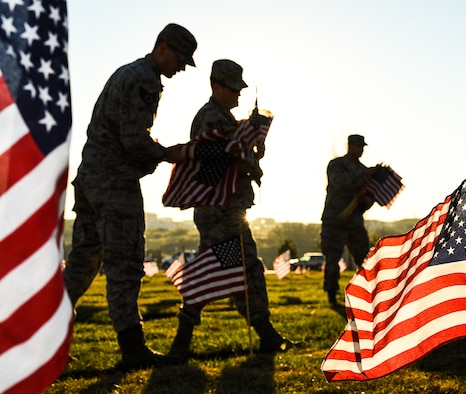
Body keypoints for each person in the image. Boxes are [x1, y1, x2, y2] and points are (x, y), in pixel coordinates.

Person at [63, 23, 198, 369]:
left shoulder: (128, 72)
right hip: (114, 185)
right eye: (181, 58)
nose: (182, 67)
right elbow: (133, 140)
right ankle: (132, 349)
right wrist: (171, 153)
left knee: (82, 262)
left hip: (91, 180)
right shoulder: (145, 80)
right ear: (163, 48)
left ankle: (42, 337)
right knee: (124, 264)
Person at [169, 59, 291, 357]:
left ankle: (263, 334)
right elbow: (219, 156)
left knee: (237, 269)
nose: (238, 94)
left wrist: (253, 150)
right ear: (216, 86)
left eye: (240, 89)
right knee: (231, 268)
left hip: (227, 209)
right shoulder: (212, 117)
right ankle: (186, 341)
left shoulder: (224, 117)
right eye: (233, 89)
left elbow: (234, 152)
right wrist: (249, 157)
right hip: (218, 211)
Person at [320, 134, 378, 304]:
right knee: (332, 257)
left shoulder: (364, 170)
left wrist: (363, 200)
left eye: (362, 147)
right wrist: (363, 174)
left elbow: (370, 199)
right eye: (357, 146)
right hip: (335, 219)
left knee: (365, 257)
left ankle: (369, 292)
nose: (359, 150)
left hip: (354, 221)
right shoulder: (336, 165)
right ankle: (331, 294)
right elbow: (339, 182)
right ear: (350, 146)